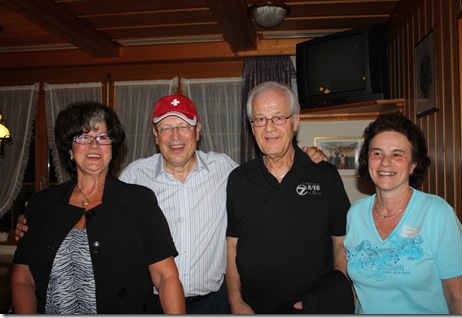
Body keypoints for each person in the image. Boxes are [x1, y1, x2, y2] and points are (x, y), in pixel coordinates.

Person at [15, 94, 327, 314]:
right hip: (148, 303)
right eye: (166, 127)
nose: (175, 135)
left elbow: (269, 173)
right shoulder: (134, 179)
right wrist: (34, 223)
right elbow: (89, 202)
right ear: (155, 135)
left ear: (198, 131)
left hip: (216, 304)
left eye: (183, 126)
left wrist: (306, 158)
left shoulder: (227, 170)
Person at [11, 101, 185, 314]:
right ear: (70, 150)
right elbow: (23, 279)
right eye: (83, 137)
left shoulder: (139, 201)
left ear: (112, 150)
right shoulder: (42, 204)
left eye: (103, 138)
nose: (94, 145)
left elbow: (166, 277)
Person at [225, 81, 354, 314]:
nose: (269, 128)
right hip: (254, 310)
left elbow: (341, 243)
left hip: (314, 309)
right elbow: (232, 246)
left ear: (295, 121)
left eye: (278, 118)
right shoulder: (238, 179)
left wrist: (334, 295)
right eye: (260, 119)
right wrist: (236, 301)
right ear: (252, 127)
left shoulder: (325, 175)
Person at [343, 112, 462, 314]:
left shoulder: (438, 214)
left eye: (397, 154)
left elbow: (457, 297)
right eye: (377, 153)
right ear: (367, 159)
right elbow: (356, 290)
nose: (385, 162)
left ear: (413, 164)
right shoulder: (355, 214)